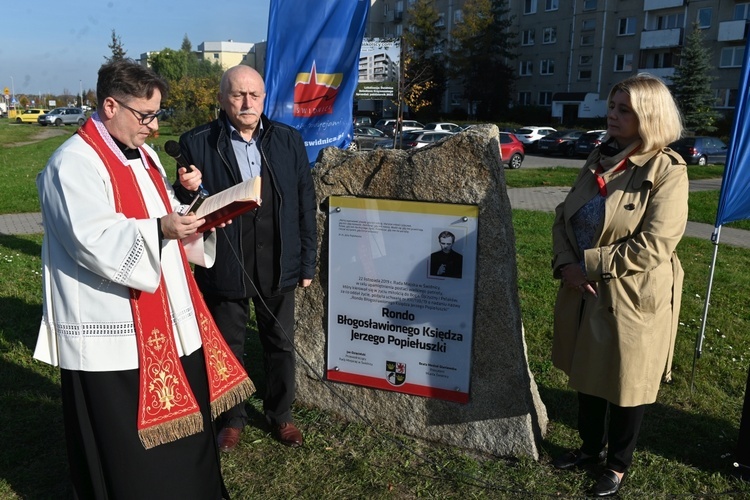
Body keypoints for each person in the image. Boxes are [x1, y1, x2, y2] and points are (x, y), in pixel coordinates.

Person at [34, 59, 255, 498]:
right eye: (146, 115)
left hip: (169, 318)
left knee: (190, 435)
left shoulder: (145, 155)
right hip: (114, 328)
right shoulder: (72, 163)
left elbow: (158, 210)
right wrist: (160, 229)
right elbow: (91, 238)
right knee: (132, 454)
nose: (154, 128)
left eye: (157, 115)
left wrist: (194, 209)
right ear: (111, 105)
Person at [550, 74, 687, 497]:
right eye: (612, 106)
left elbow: (655, 245)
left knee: (629, 382)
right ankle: (590, 451)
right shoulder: (599, 156)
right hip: (585, 287)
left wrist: (586, 266)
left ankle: (617, 466)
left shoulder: (667, 170)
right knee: (588, 374)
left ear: (649, 116)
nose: (612, 114)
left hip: (631, 293)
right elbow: (562, 215)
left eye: (624, 109)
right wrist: (565, 263)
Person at [174, 65, 317, 451]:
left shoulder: (289, 140)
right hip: (227, 261)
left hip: (279, 260)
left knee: (280, 344)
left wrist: (308, 262)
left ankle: (281, 415)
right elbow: (185, 205)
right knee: (228, 346)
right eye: (238, 95)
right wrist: (186, 189)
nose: (247, 102)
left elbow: (305, 203)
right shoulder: (196, 141)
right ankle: (232, 419)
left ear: (265, 98)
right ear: (222, 99)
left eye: (254, 94)